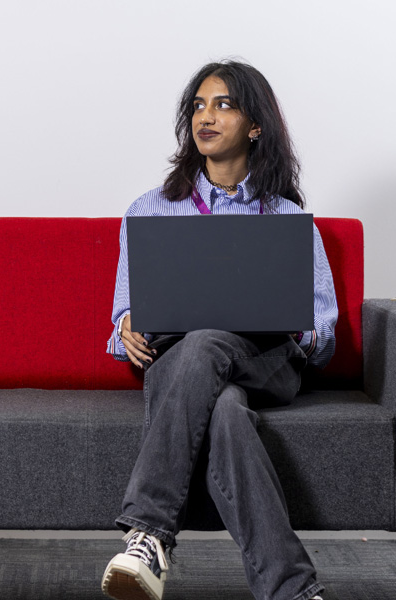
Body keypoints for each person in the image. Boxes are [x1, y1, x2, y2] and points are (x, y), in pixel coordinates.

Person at [102, 60, 337, 600]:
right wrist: (128, 330)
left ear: (255, 126)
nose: (206, 117)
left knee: (207, 339)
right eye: (199, 106)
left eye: (224, 105)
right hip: (183, 364)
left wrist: (286, 317)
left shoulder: (284, 218)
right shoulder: (151, 209)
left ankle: (150, 533)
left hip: (268, 359)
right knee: (226, 411)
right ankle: (293, 590)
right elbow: (124, 315)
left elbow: (321, 334)